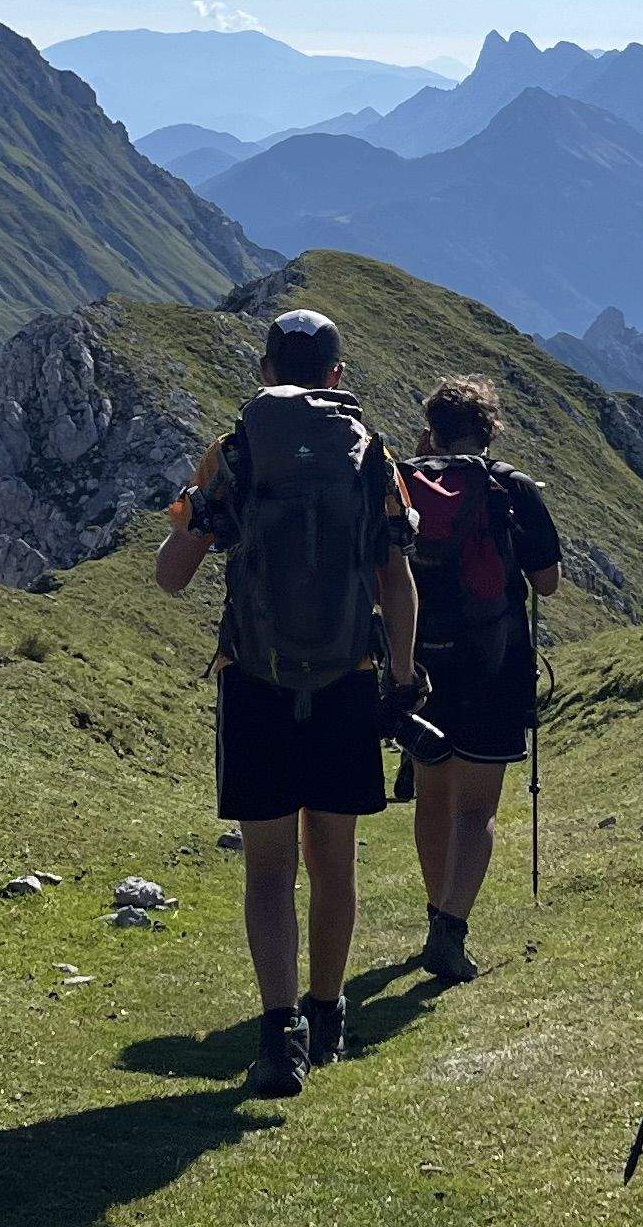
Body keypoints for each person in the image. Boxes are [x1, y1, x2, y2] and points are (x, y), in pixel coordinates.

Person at [155, 305, 423, 1100]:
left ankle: (280, 1042)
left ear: (266, 371)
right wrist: (401, 678)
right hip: (344, 682)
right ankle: (329, 1014)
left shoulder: (234, 453)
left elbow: (171, 574)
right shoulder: (372, 456)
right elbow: (398, 578)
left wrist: (195, 513)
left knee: (269, 871)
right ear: (337, 377)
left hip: (256, 681)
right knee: (332, 859)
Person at [392, 373, 565, 985]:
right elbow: (545, 582)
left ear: (430, 427)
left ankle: (435, 911)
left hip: (419, 665)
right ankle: (450, 929)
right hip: (493, 662)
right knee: (477, 809)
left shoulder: (403, 482)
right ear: (490, 431)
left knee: (433, 797)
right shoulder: (510, 488)